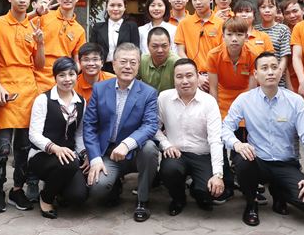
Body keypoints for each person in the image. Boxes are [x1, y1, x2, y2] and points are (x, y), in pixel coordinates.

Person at [222, 52, 304, 226]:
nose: (270, 72)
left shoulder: (295, 101)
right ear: (255, 74)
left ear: (280, 72)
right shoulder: (245, 100)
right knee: (242, 160)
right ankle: (251, 203)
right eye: (265, 68)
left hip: (285, 163)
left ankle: (279, 193)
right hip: (258, 161)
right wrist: (237, 144)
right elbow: (225, 129)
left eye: (274, 67)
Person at [83, 43, 159, 222]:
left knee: (150, 148)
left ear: (138, 66)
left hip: (135, 152)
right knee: (97, 189)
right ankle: (114, 185)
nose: (128, 67)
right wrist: (95, 158)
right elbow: (89, 125)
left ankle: (142, 200)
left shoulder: (148, 93)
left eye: (133, 62)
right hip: (109, 153)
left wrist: (127, 144)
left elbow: (150, 125)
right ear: (114, 64)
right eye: (123, 62)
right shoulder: (100, 88)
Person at [0, 0, 45, 213]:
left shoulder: (33, 28)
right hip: (4, 89)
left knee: (23, 147)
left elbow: (39, 65)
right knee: (2, 146)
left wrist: (40, 44)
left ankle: (17, 189)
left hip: (28, 91)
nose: (22, 0)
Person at [156, 58, 224, 215]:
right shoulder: (164, 98)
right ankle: (178, 198)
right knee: (169, 171)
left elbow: (215, 139)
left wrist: (218, 174)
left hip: (202, 154)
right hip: (176, 154)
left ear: (197, 76)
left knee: (209, 192)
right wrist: (166, 145)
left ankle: (197, 189)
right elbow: (154, 128)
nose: (184, 81)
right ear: (173, 79)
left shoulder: (209, 102)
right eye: (179, 76)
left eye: (189, 75)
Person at [28, 57, 89, 219]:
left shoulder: (81, 102)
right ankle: (46, 197)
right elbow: (34, 134)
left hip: (68, 158)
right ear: (55, 77)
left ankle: (58, 188)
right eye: (62, 75)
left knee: (78, 196)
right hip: (42, 156)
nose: (67, 79)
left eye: (71, 74)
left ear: (77, 76)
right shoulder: (43, 100)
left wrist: (84, 153)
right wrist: (55, 148)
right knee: (70, 162)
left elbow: (79, 133)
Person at [206, 16, 258, 203]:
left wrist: (247, 115)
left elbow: (252, 91)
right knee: (219, 143)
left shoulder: (253, 54)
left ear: (246, 36)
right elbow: (213, 88)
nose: (234, 39)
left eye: (239, 34)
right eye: (229, 34)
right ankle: (226, 183)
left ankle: (246, 184)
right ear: (223, 36)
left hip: (244, 101)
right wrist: (214, 113)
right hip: (221, 101)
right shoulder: (213, 55)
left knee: (241, 145)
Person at [33, 0, 86, 92]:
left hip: (63, 80)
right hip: (37, 78)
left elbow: (79, 61)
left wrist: (69, 74)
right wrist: (36, 13)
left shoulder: (79, 30)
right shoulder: (44, 16)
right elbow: (22, 23)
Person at [175, 0, 223, 92]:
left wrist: (212, 76)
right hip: (192, 78)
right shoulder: (184, 23)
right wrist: (196, 75)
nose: (197, 2)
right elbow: (180, 52)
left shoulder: (221, 23)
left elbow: (224, 53)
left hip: (217, 77)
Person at [238, 0, 290, 89]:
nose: (267, 10)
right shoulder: (256, 29)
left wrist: (276, 75)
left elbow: (284, 58)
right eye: (263, 7)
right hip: (249, 80)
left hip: (275, 78)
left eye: (271, 7)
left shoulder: (282, 29)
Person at [90, 0, 140, 73]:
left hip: (125, 68)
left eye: (119, 5)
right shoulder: (97, 27)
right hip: (102, 69)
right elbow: (93, 51)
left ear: (125, 7)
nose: (115, 9)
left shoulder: (132, 26)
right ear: (106, 7)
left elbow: (136, 50)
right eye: (112, 5)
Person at [138, 27, 179, 92]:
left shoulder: (176, 63)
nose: (160, 50)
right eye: (155, 46)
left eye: (164, 46)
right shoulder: (141, 61)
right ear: (147, 46)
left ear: (170, 45)